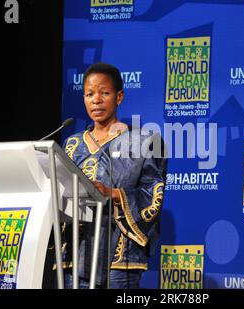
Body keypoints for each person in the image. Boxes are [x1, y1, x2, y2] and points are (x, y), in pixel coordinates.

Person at [61, 62, 167, 289]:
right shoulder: (71, 145)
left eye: (104, 93)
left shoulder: (145, 142)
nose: (96, 100)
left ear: (119, 97)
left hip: (119, 258)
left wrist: (112, 193)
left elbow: (152, 195)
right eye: (89, 94)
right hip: (76, 254)